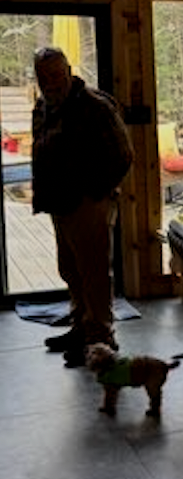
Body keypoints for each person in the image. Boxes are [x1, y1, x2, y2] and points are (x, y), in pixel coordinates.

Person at [30, 45, 133, 367]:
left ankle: (100, 338)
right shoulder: (43, 106)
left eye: (56, 74)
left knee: (94, 274)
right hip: (59, 202)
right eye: (43, 76)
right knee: (71, 270)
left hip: (89, 203)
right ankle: (81, 328)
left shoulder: (95, 106)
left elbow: (122, 155)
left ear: (69, 70)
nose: (50, 81)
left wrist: (94, 194)